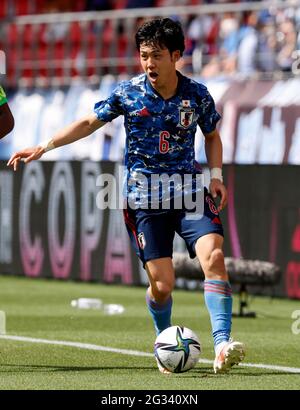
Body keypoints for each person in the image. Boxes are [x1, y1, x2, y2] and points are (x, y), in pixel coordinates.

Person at [7, 18, 245, 374]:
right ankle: (164, 336)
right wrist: (45, 145)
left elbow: (211, 135)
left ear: (176, 55)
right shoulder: (129, 92)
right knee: (162, 287)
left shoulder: (197, 95)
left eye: (156, 56)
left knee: (214, 257)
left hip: (190, 194)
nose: (149, 63)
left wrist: (215, 176)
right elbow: (90, 122)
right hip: (144, 200)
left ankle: (223, 343)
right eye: (144, 56)